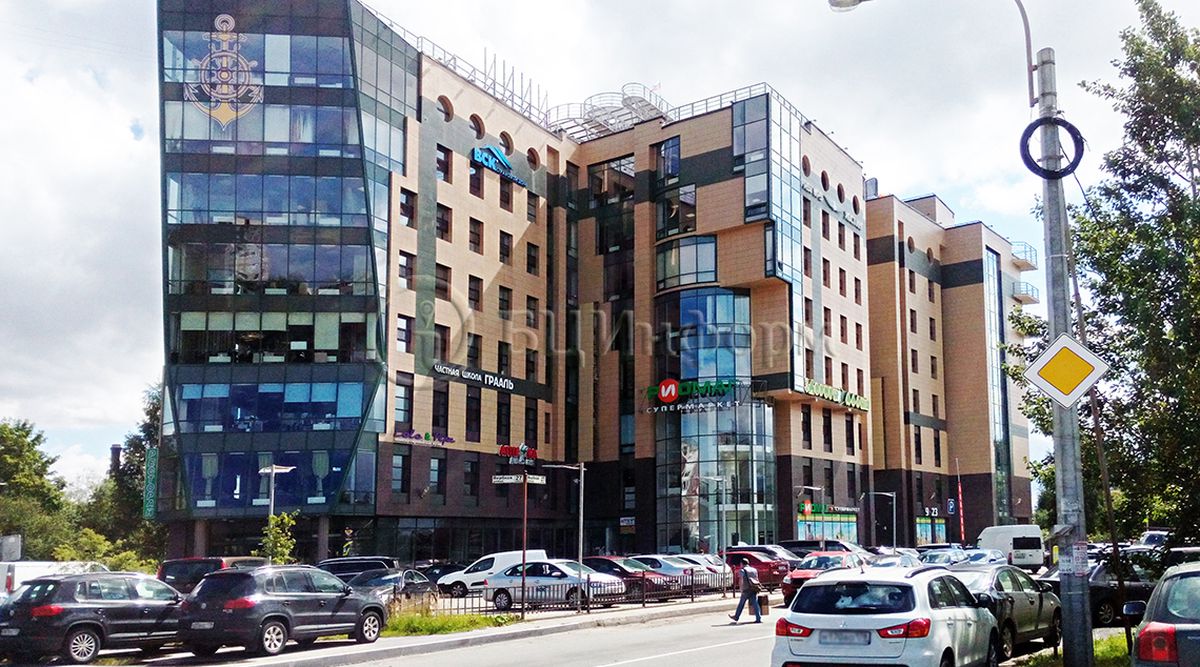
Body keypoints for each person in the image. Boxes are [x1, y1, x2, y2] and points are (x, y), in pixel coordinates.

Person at [729, 557, 763, 623]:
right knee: (755, 603)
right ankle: (758, 618)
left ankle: (736, 617)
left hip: (746, 589)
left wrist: (741, 589)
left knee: (741, 604)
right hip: (754, 588)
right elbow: (756, 578)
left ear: (742, 564)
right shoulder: (754, 570)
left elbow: (741, 580)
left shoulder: (742, 570)